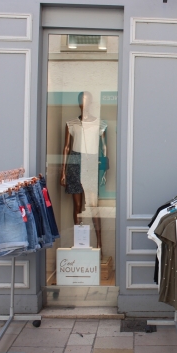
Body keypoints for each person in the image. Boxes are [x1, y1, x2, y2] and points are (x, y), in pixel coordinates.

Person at [60, 91, 107, 253]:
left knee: (94, 206)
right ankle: (81, 243)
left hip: (92, 161)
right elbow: (66, 147)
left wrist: (103, 172)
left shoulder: (100, 123)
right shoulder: (71, 123)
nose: (84, 104)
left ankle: (100, 244)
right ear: (79, 103)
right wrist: (63, 171)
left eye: (87, 101)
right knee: (77, 205)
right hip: (74, 161)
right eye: (82, 101)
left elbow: (104, 149)